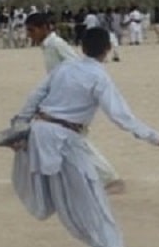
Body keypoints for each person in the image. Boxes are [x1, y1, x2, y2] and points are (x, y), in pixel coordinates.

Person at [6, 27, 159, 247]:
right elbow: (121, 116)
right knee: (93, 201)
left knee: (66, 199)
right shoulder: (98, 77)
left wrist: (19, 127)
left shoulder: (65, 68)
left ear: (82, 46)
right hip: (66, 139)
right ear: (107, 50)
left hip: (40, 134)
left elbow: (35, 97)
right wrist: (157, 138)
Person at [25, 13, 126, 193]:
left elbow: (76, 65)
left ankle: (110, 179)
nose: (29, 35)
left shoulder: (57, 44)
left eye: (32, 30)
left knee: (73, 141)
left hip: (68, 100)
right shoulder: (47, 46)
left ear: (45, 28)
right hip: (59, 98)